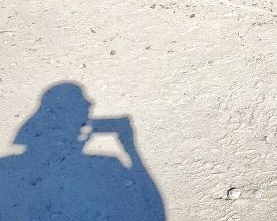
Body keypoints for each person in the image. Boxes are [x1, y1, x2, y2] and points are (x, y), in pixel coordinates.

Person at [0, 82, 165, 220]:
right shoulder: (107, 167)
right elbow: (154, 212)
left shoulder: (6, 168)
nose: (90, 103)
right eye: (81, 104)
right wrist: (131, 149)